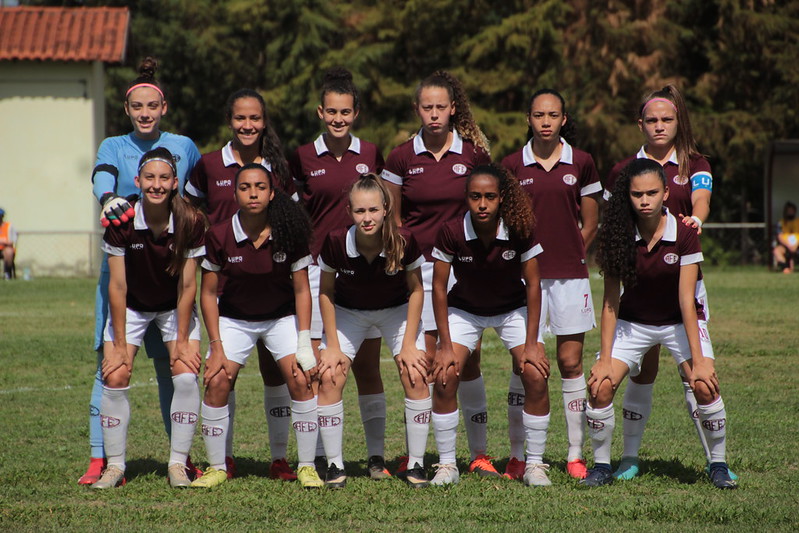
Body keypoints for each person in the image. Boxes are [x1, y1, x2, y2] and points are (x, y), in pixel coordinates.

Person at [80, 57, 202, 485]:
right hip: (126, 271)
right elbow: (102, 176)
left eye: (153, 105)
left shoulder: (184, 145)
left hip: (170, 270)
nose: (145, 113)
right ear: (127, 109)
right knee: (110, 365)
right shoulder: (113, 145)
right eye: (138, 107)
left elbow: (202, 189)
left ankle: (179, 458)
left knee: (178, 369)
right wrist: (109, 198)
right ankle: (102, 458)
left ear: (163, 107)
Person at [583, 158, 735, 489]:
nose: (645, 200)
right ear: (628, 197)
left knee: (705, 385)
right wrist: (605, 359)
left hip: (677, 322)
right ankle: (601, 466)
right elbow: (610, 302)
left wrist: (698, 362)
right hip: (632, 322)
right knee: (599, 385)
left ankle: (719, 464)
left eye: (652, 192)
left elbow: (686, 301)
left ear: (666, 192)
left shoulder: (684, 233)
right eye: (637, 194)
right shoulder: (616, 235)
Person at [603, 85, 724, 481]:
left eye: (666, 119)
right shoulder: (623, 171)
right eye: (651, 120)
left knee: (696, 376)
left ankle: (716, 460)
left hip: (682, 280)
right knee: (641, 371)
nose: (659, 126)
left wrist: (697, 220)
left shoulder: (694, 162)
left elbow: (702, 201)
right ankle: (630, 457)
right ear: (640, 124)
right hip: (638, 286)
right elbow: (613, 220)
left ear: (677, 122)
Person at [382, 70, 498, 476]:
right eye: (426, 107)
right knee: (432, 361)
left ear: (453, 109)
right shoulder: (399, 157)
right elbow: (393, 220)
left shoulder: (473, 153)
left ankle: (479, 454)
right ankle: (428, 452)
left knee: (470, 361)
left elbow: (487, 207)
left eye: (440, 107)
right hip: (421, 270)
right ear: (417, 109)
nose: (434, 114)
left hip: (465, 267)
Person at [185, 88, 298, 481]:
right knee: (222, 376)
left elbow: (293, 221)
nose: (247, 125)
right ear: (229, 121)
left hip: (275, 293)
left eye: (254, 119)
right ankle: (224, 459)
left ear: (264, 122)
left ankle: (280, 458)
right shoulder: (210, 164)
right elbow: (190, 210)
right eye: (240, 118)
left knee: (277, 372)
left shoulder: (279, 167)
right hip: (228, 294)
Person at [192, 163, 321, 489]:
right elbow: (207, 293)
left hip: (281, 318)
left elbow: (302, 289)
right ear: (235, 193)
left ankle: (306, 466)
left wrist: (304, 341)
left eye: (260, 187)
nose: (253, 193)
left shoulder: (289, 232)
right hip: (234, 319)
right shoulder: (219, 235)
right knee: (217, 380)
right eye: (246, 187)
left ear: (272, 192)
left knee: (301, 377)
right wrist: (216, 347)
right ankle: (217, 466)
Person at [290, 68, 389, 478]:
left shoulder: (371, 153)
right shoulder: (302, 156)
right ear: (320, 112)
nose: (338, 119)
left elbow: (382, 208)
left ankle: (376, 457)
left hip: (365, 271)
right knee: (321, 369)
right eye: (331, 111)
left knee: (367, 367)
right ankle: (319, 460)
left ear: (356, 113)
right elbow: (296, 216)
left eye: (345, 112)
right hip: (320, 273)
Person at [91, 148, 205, 489]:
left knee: (185, 374)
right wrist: (121, 346)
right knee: (115, 373)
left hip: (173, 307)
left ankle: (177, 463)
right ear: (138, 181)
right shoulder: (122, 221)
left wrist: (183, 340)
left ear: (174, 183)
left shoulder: (191, 220)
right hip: (132, 307)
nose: (156, 185)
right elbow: (118, 286)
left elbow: (188, 286)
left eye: (164, 178)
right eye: (149, 178)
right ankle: (114, 466)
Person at [500, 89, 600, 480]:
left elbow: (589, 223)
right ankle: (517, 455)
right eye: (539, 114)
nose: (545, 121)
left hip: (571, 278)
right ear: (529, 118)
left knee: (570, 363)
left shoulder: (583, 162)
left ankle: (575, 454)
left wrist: (573, 252)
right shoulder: (511, 164)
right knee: (524, 365)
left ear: (563, 118)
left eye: (552, 114)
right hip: (525, 279)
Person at [429, 164, 546, 486]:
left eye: (490, 197)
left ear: (502, 199)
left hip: (512, 310)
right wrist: (445, 345)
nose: (482, 204)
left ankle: (534, 464)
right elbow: (439, 287)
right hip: (465, 310)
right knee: (444, 375)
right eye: (475, 197)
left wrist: (534, 342)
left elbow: (534, 285)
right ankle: (447, 465)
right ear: (466, 198)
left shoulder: (520, 228)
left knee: (535, 373)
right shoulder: (451, 231)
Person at [316, 174, 430, 488]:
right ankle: (335, 465)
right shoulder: (336, 240)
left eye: (373, 211)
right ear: (350, 212)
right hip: (349, 313)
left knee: (415, 371)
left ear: (384, 209)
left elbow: (417, 290)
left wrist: (408, 344)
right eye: (359, 211)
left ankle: (416, 464)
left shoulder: (404, 239)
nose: (367, 218)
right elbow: (325, 292)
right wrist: (333, 345)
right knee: (329, 375)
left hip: (396, 312)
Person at [773, 201, 799, 273]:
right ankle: (785, 268)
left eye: (792, 210)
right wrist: (789, 245)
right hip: (786, 246)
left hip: (797, 245)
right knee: (777, 251)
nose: (790, 212)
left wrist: (795, 245)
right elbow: (780, 236)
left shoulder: (798, 221)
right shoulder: (781, 223)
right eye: (788, 211)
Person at [0, 207, 17, 279]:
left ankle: (7, 273)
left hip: (4, 249)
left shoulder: (8, 226)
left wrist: (2, 242)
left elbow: (11, 241)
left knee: (9, 251)